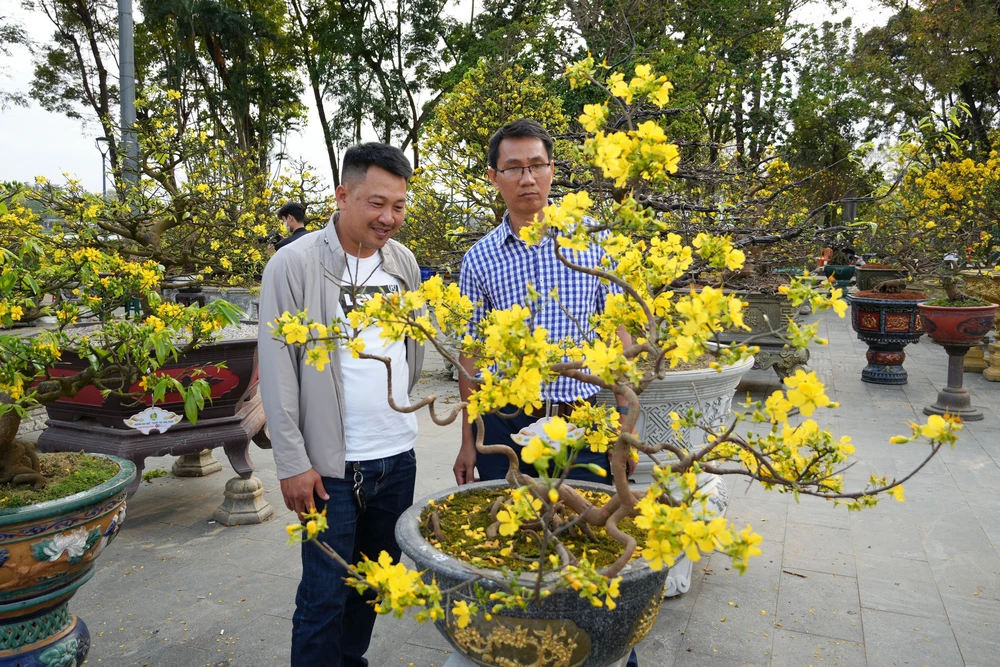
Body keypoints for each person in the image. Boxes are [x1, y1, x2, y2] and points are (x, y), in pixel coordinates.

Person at [257, 143, 423, 667]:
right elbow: (278, 372)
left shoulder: (403, 263)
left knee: (371, 585)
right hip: (329, 468)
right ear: (342, 195)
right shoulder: (294, 264)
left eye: (398, 206)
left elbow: (411, 348)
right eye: (377, 203)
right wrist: (293, 462)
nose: (389, 218)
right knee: (324, 594)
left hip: (398, 457)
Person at [452, 118, 636, 486]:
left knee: (582, 531)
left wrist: (625, 429)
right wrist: (468, 440)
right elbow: (470, 355)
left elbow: (619, 338)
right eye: (514, 168)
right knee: (510, 529)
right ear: (494, 176)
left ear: (551, 169)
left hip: (582, 422)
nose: (527, 178)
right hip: (504, 426)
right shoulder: (479, 258)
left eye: (536, 165)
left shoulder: (592, 242)